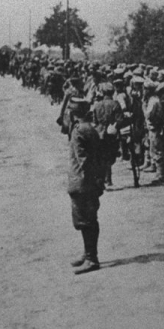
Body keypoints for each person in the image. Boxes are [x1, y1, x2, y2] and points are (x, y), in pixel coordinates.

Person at [67, 98, 106, 274]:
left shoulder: (78, 131)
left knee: (85, 220)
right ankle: (88, 253)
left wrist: (89, 181)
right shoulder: (90, 128)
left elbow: (84, 160)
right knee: (87, 219)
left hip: (82, 182)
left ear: (73, 112)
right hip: (89, 181)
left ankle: (91, 258)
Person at [89, 82, 123, 189]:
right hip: (110, 134)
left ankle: (101, 180)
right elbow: (120, 120)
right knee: (109, 158)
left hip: (98, 133)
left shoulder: (97, 105)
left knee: (100, 157)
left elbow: (94, 121)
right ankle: (108, 180)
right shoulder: (115, 104)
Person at [143, 81, 164, 184]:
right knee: (154, 150)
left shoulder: (153, 101)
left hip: (155, 128)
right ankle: (160, 174)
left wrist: (143, 107)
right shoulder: (153, 100)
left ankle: (161, 175)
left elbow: (148, 115)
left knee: (157, 151)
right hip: (153, 128)